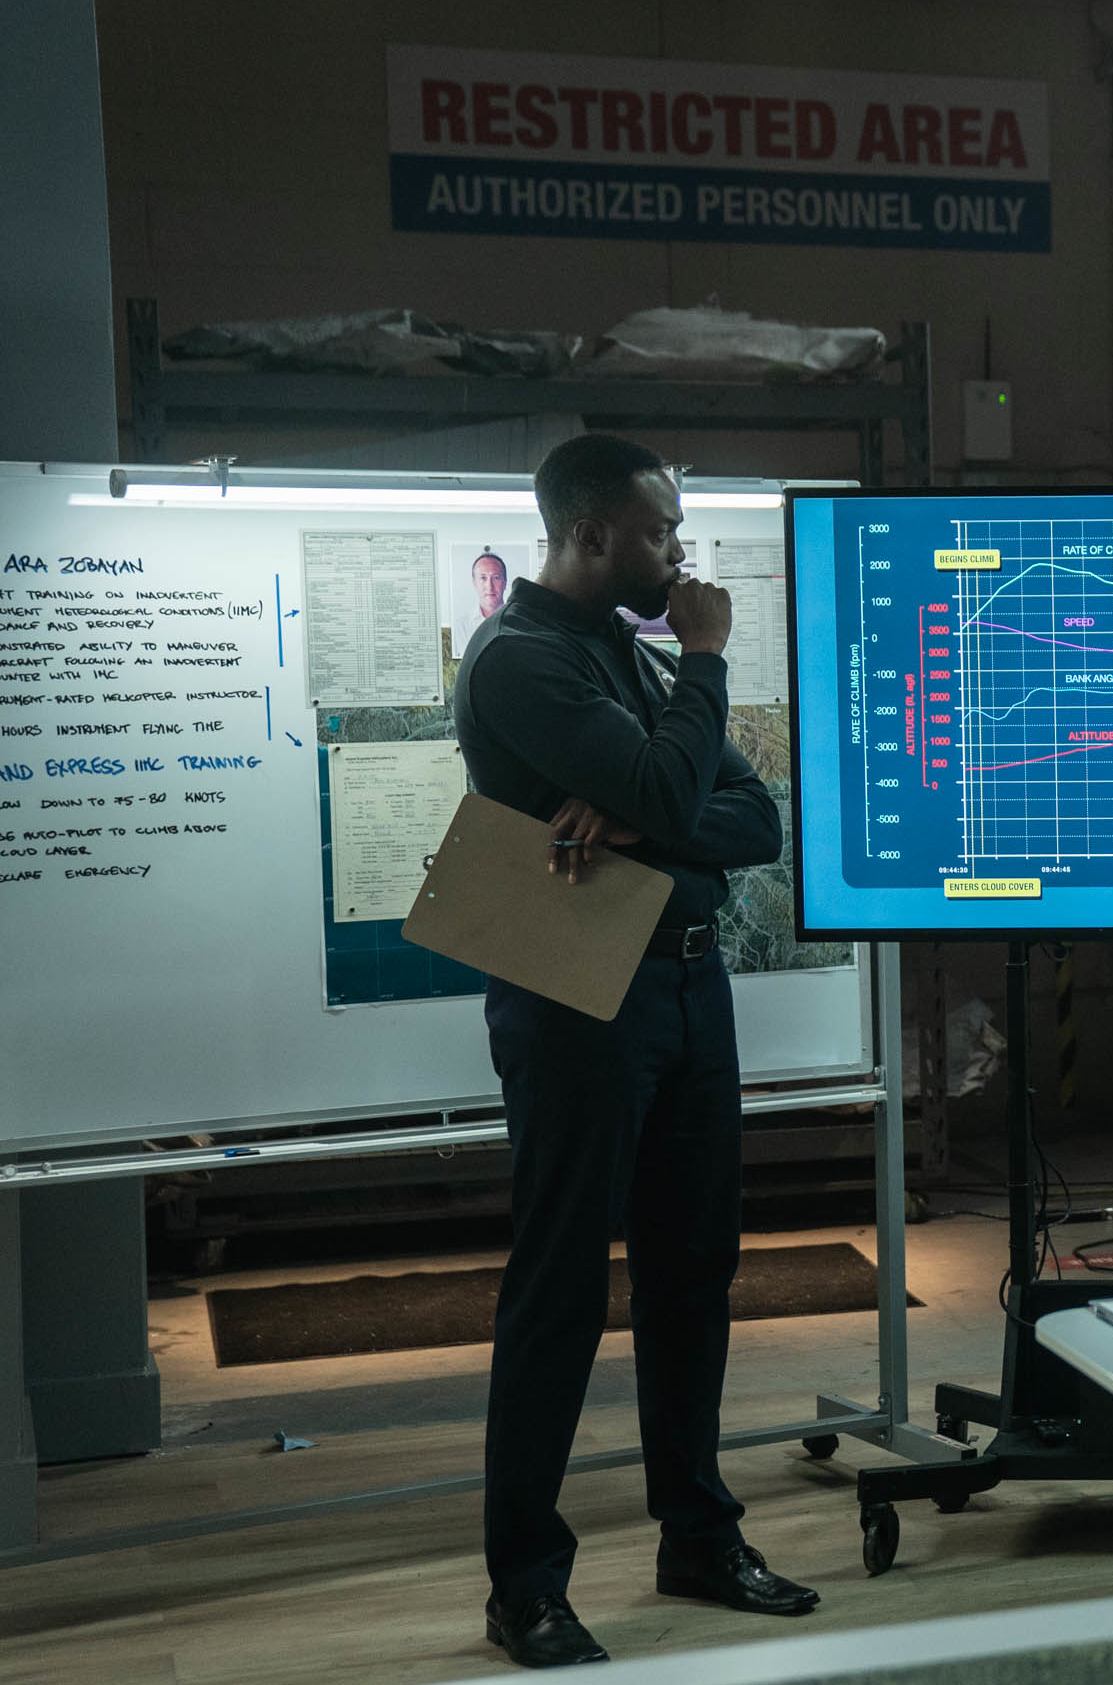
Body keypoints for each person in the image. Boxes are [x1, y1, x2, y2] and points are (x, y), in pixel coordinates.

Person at [452, 433, 811, 1668]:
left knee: (692, 1271)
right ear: (591, 533)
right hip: (574, 995)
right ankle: (525, 1586)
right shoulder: (519, 660)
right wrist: (704, 664)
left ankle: (697, 1535)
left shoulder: (624, 653)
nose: (680, 555)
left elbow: (753, 816)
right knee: (559, 1287)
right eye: (662, 532)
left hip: (688, 982)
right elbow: (675, 792)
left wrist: (641, 811)